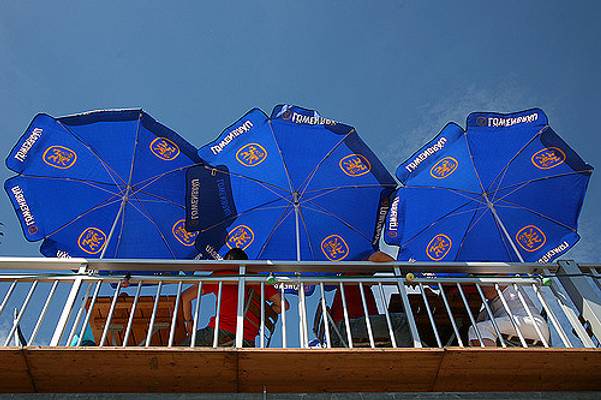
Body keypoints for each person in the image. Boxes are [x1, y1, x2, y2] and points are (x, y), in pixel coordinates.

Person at [180, 248, 289, 347]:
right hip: (247, 340)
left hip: (220, 333)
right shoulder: (257, 279)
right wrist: (264, 312)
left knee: (180, 351)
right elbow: (284, 305)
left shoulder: (220, 275)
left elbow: (185, 297)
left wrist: (188, 323)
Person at [329, 251, 412, 347]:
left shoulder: (353, 283)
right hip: (348, 329)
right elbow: (377, 256)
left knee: (397, 328)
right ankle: (412, 356)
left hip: (344, 331)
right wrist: (401, 271)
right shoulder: (354, 272)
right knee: (402, 321)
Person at [467, 285, 550, 347]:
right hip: (531, 329)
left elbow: (490, 292)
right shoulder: (487, 309)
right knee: (479, 329)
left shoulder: (509, 283)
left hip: (532, 323)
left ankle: (489, 363)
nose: (482, 287)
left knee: (477, 330)